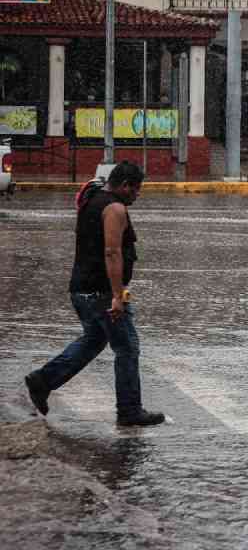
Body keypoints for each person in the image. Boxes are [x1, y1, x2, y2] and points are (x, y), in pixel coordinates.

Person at [24, 162, 166, 427]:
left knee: (94, 340)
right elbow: (111, 252)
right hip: (101, 292)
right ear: (124, 186)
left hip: (81, 288)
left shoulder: (92, 198)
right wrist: (117, 295)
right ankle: (129, 411)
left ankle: (43, 380)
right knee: (127, 347)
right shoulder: (115, 209)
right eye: (136, 190)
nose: (138, 195)